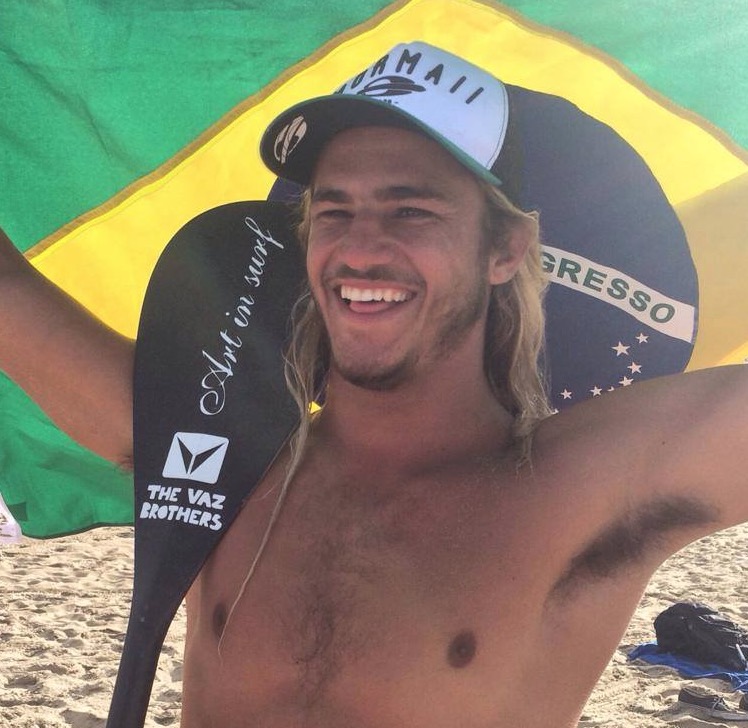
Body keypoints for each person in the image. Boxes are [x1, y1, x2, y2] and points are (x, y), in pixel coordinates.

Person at [1, 41, 746, 728]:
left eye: (410, 209)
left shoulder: (580, 487)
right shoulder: (221, 452)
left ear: (505, 248)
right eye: (334, 210)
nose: (360, 248)